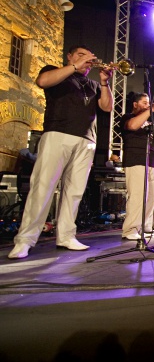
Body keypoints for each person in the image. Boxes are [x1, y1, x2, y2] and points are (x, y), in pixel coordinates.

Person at [8, 45, 113, 259]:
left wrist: (104, 82)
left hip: (86, 141)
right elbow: (42, 81)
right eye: (81, 55)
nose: (86, 61)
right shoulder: (56, 73)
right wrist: (74, 67)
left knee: (74, 192)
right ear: (70, 57)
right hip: (58, 134)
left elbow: (107, 106)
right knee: (43, 187)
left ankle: (66, 236)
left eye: (89, 58)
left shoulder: (93, 84)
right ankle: (25, 240)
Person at [120, 92, 154, 240]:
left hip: (151, 163)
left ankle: (141, 226)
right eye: (144, 103)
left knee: (150, 198)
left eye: (148, 103)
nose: (147, 105)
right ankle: (130, 229)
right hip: (135, 161)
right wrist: (151, 109)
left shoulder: (150, 123)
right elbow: (132, 126)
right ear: (135, 104)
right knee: (137, 196)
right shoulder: (128, 117)